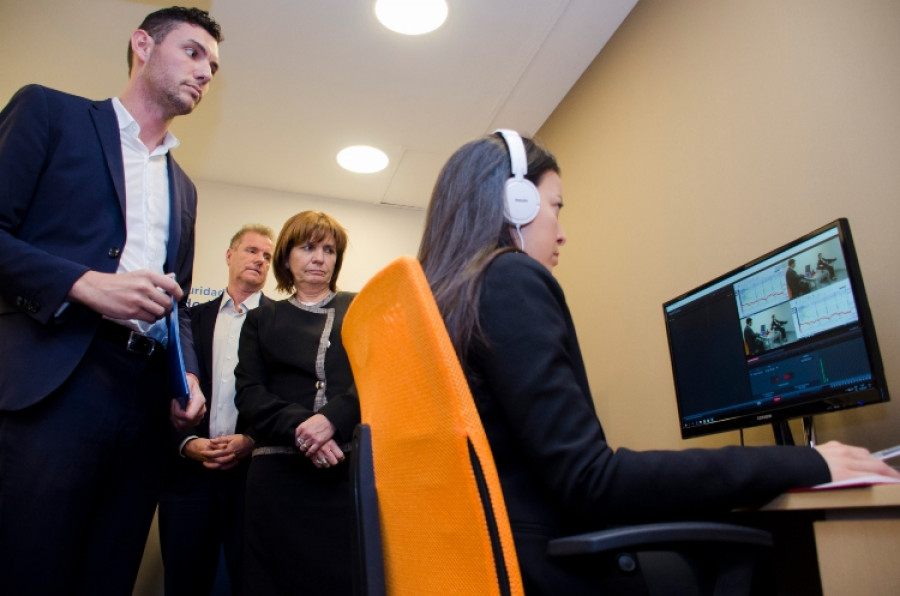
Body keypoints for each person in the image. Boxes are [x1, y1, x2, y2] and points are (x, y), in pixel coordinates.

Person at [416, 130, 900, 594]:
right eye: (555, 208)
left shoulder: (447, 305)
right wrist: (805, 462)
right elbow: (591, 481)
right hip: (552, 571)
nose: (562, 234)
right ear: (514, 202)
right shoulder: (508, 279)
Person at [0, 7, 221, 594]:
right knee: (26, 563)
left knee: (108, 573)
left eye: (213, 67)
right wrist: (82, 282)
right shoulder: (49, 112)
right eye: (194, 53)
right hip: (55, 380)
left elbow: (178, 305)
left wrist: (190, 378)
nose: (205, 73)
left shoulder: (184, 188)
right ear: (142, 44)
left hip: (146, 406)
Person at [234, 211, 359, 595]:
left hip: (342, 472)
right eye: (307, 248)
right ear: (287, 257)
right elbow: (250, 393)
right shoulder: (260, 319)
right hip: (275, 478)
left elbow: (379, 380)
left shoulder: (362, 308)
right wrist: (309, 428)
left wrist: (332, 420)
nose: (319, 258)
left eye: (328, 249)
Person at [159, 224, 274, 595]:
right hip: (188, 480)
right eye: (251, 250)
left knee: (253, 584)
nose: (259, 260)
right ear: (229, 255)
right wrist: (186, 442)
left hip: (252, 481)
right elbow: (165, 389)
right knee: (183, 582)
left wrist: (251, 440)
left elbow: (289, 398)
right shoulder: (188, 319)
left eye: (267, 256)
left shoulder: (281, 323)